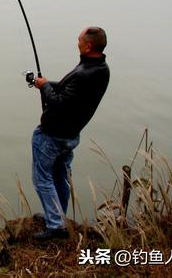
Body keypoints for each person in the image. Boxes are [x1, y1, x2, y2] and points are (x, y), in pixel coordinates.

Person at [31, 26, 110, 240]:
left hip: (52, 136)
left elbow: (59, 104)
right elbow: (72, 94)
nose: (77, 43)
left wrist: (47, 88)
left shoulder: (85, 73)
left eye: (79, 40)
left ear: (88, 45)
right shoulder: (101, 69)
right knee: (59, 177)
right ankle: (57, 216)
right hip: (70, 135)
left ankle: (55, 225)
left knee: (42, 179)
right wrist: (45, 85)